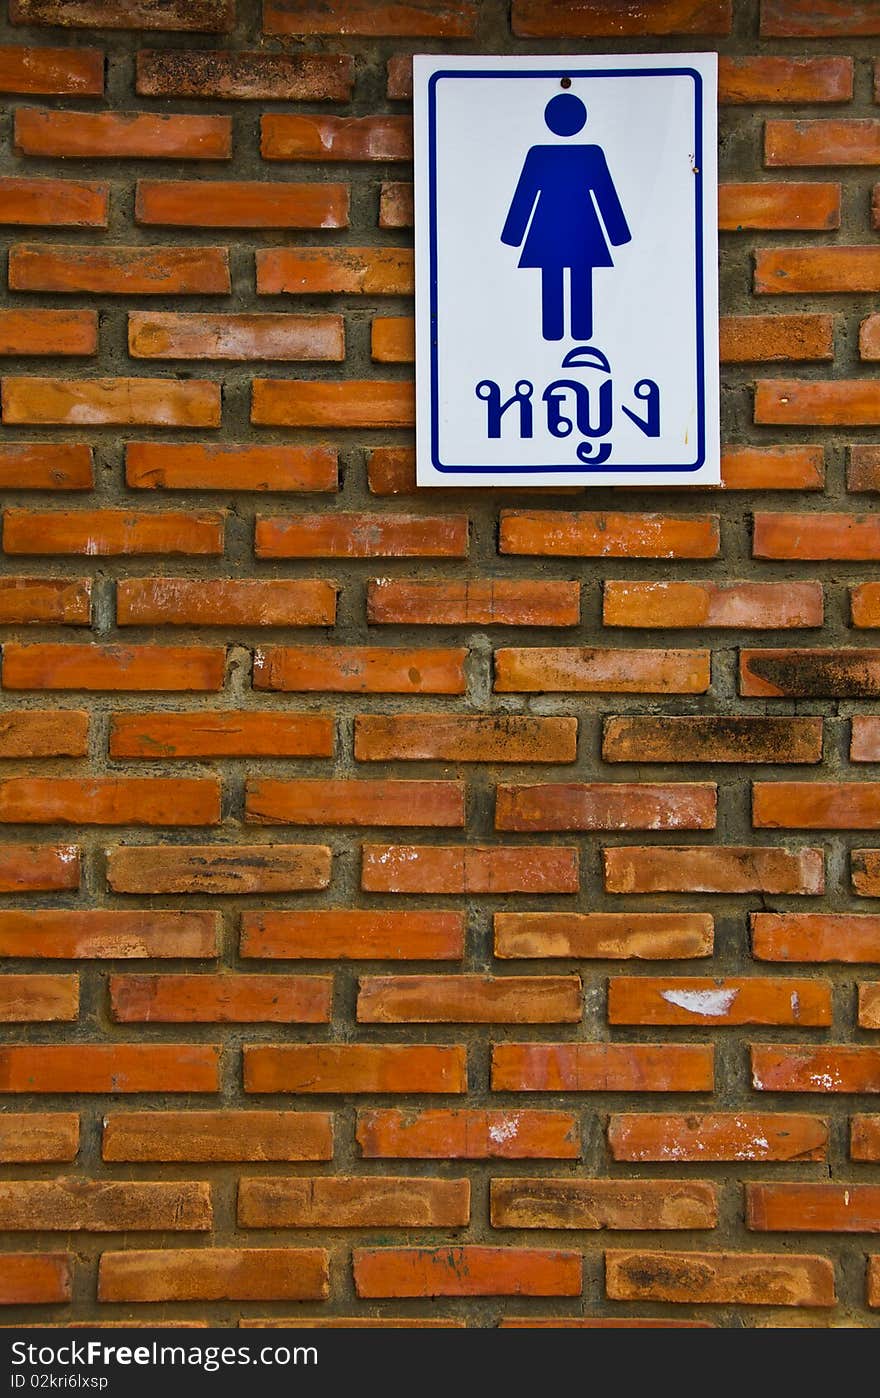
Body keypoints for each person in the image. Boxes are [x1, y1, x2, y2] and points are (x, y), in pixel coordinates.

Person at [500, 92, 632, 342]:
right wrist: (618, 236)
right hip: (583, 229)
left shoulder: (541, 155)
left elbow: (525, 196)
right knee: (578, 276)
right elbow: (605, 196)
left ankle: (556, 331)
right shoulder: (588, 154)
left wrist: (513, 236)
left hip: (548, 229)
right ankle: (576, 331)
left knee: (554, 277)